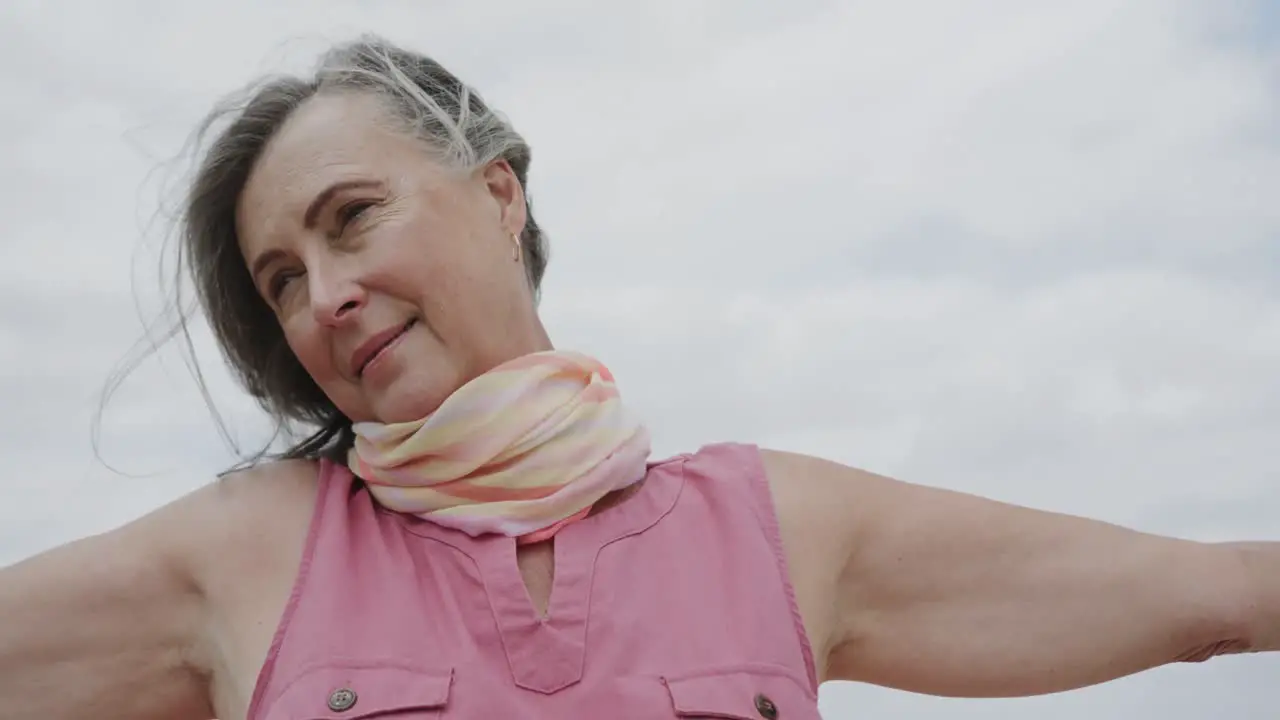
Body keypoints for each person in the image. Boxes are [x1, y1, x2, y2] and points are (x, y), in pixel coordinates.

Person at [1, 34, 1275, 720]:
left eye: (351, 218)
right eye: (280, 280)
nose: (322, 296)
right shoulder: (245, 553)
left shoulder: (776, 529)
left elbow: (1216, 594)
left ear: (498, 197)